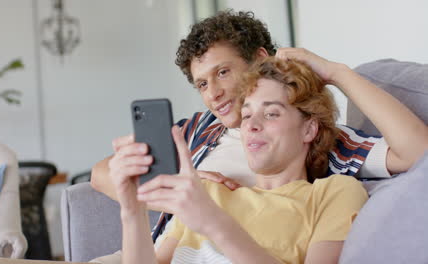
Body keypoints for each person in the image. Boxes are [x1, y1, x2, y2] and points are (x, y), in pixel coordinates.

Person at [91, 10, 427, 245]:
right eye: (202, 84)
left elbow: (417, 152)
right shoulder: (197, 129)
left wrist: (337, 73)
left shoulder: (306, 133)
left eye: (223, 72)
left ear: (261, 59)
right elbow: (101, 173)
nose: (214, 94)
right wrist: (182, 195)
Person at [116, 54, 371, 264]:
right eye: (247, 116)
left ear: (309, 129)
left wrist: (215, 224)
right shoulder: (206, 193)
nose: (252, 126)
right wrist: (132, 211)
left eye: (271, 113)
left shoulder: (334, 193)